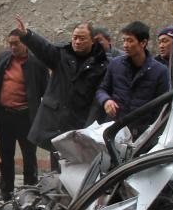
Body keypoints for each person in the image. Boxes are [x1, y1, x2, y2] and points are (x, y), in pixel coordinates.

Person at [13, 16, 109, 156]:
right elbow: (44, 48)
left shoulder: (101, 65)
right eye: (75, 37)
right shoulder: (62, 55)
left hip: (78, 124)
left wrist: (88, 130)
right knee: (56, 166)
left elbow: (97, 100)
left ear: (92, 41)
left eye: (82, 39)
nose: (77, 42)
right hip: (55, 123)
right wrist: (27, 35)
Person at [0, 30, 50, 200]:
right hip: (3, 118)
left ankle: (29, 193)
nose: (13, 47)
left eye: (16, 43)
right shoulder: (3, 58)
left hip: (26, 118)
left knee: (29, 158)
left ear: (26, 43)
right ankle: (6, 192)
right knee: (6, 157)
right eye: (10, 43)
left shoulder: (37, 63)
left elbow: (47, 91)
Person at [95, 21, 169, 135]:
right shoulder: (115, 64)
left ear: (143, 43)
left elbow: (161, 107)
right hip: (114, 129)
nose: (125, 45)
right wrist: (106, 100)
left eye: (130, 40)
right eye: (124, 40)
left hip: (143, 134)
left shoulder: (161, 72)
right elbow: (102, 89)